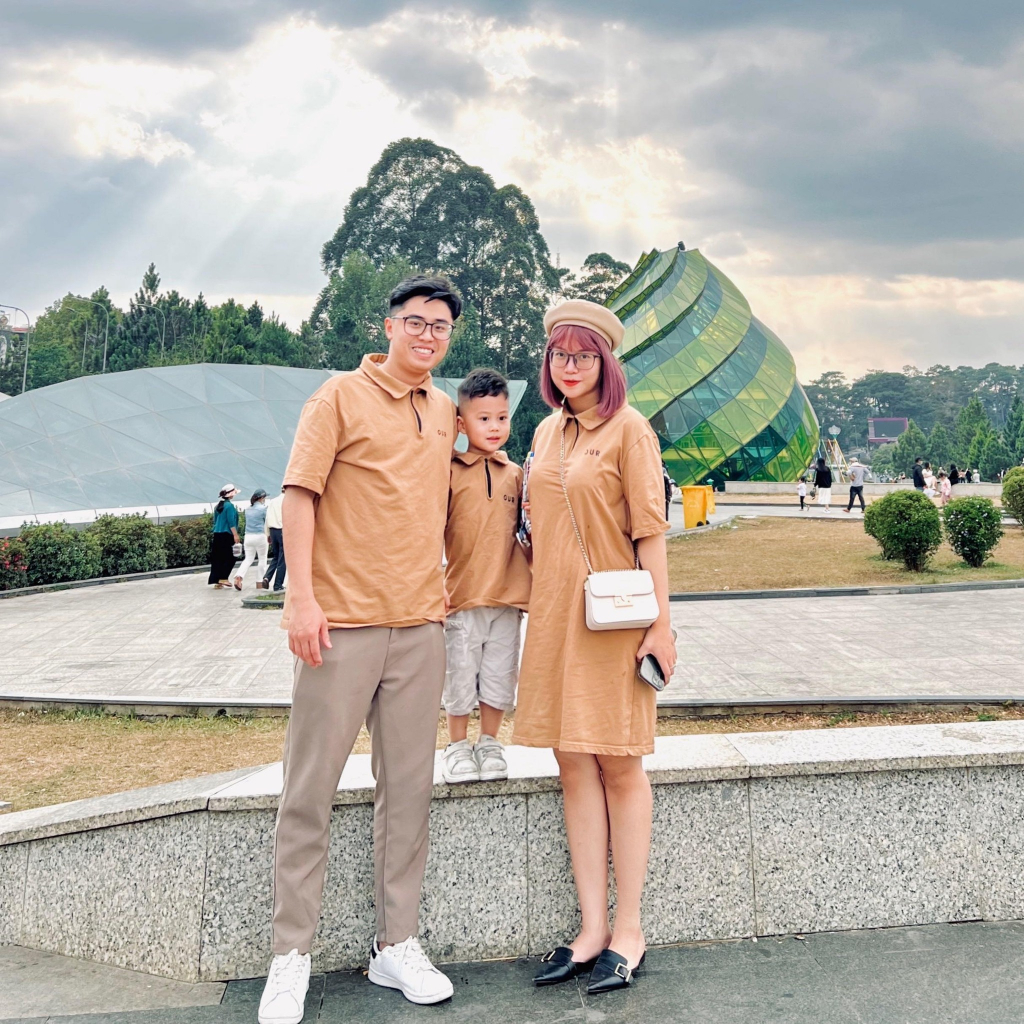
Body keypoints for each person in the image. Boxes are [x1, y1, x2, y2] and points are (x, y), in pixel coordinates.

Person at [257, 276, 462, 1024]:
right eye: (416, 321)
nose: (428, 335)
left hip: (420, 627)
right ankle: (290, 954)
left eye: (440, 326)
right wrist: (300, 599)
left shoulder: (444, 410)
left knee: (408, 793)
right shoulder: (337, 397)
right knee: (308, 790)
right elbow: (299, 495)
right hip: (339, 626)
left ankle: (395, 944)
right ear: (389, 326)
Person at [514, 299, 675, 995]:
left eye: (583, 355)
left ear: (605, 363)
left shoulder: (630, 429)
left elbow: (650, 533)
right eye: (559, 355)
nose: (569, 366)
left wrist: (661, 625)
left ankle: (629, 930)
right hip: (554, 618)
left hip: (613, 622)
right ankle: (590, 929)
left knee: (619, 764)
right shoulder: (545, 432)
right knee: (572, 763)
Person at [441, 368, 531, 784]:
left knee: (499, 675)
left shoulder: (516, 474)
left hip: (508, 599)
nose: (494, 427)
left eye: (501, 417)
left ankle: (490, 742)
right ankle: (457, 745)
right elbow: (430, 531)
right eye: (483, 418)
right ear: (461, 424)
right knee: (460, 675)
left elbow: (527, 532)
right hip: (462, 597)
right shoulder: (448, 472)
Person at [234, 489, 269, 590]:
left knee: (248, 559)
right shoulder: (264, 509)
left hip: (248, 536)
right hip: (260, 536)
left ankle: (238, 576)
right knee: (262, 559)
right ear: (261, 498)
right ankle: (259, 582)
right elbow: (267, 522)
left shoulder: (248, 509)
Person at [208, 484, 240, 588]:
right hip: (227, 534)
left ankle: (217, 580)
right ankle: (224, 578)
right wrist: (235, 535)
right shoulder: (229, 506)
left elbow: (215, 521)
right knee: (231, 556)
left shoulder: (218, 506)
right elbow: (231, 522)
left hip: (217, 534)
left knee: (218, 557)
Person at [262, 487, 286, 592]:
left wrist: (267, 534)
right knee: (283, 559)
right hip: (283, 530)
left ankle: (267, 577)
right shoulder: (288, 501)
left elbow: (267, 518)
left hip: (272, 531)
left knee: (276, 557)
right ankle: (278, 584)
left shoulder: (273, 501)